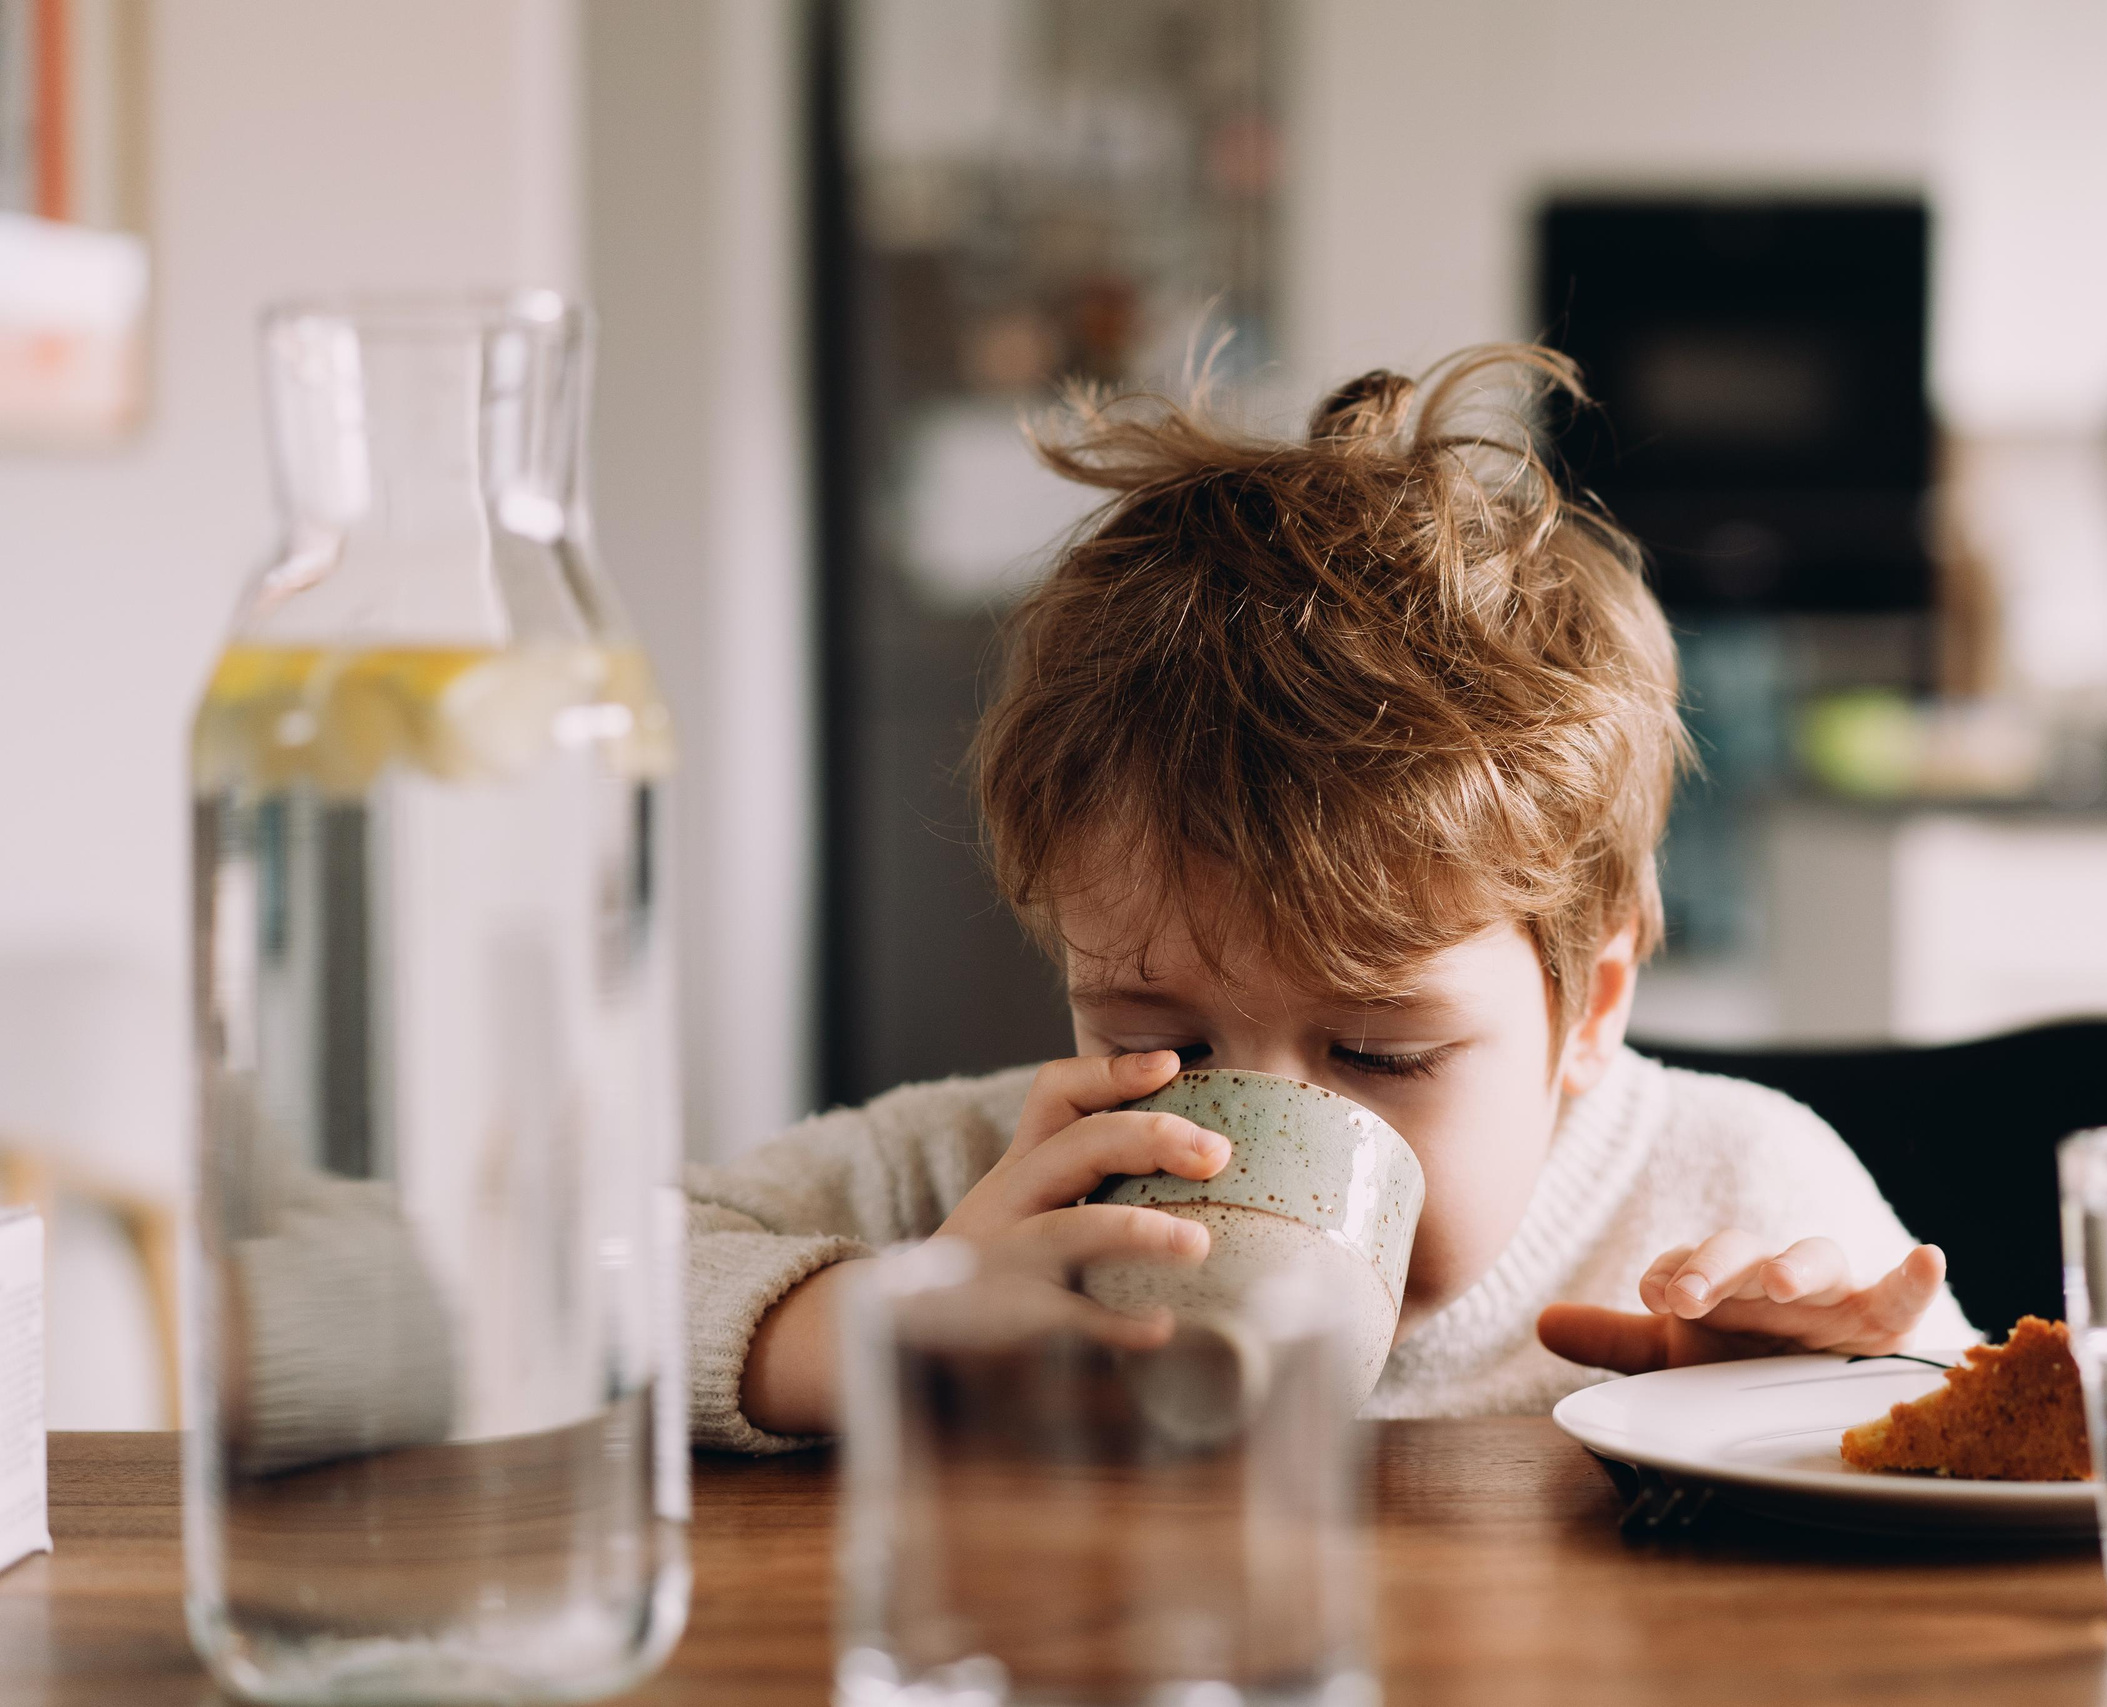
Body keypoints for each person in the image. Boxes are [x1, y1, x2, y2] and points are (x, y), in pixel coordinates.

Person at [687, 346, 1969, 1451]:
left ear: (1592, 1008)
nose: (1238, 1147)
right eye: (1157, 1044)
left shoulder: (1729, 1192)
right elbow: (572, 1289)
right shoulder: (975, 1188)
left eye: (1380, 1051)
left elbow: (1988, 1454)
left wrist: (1800, 1417)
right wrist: (893, 1321)